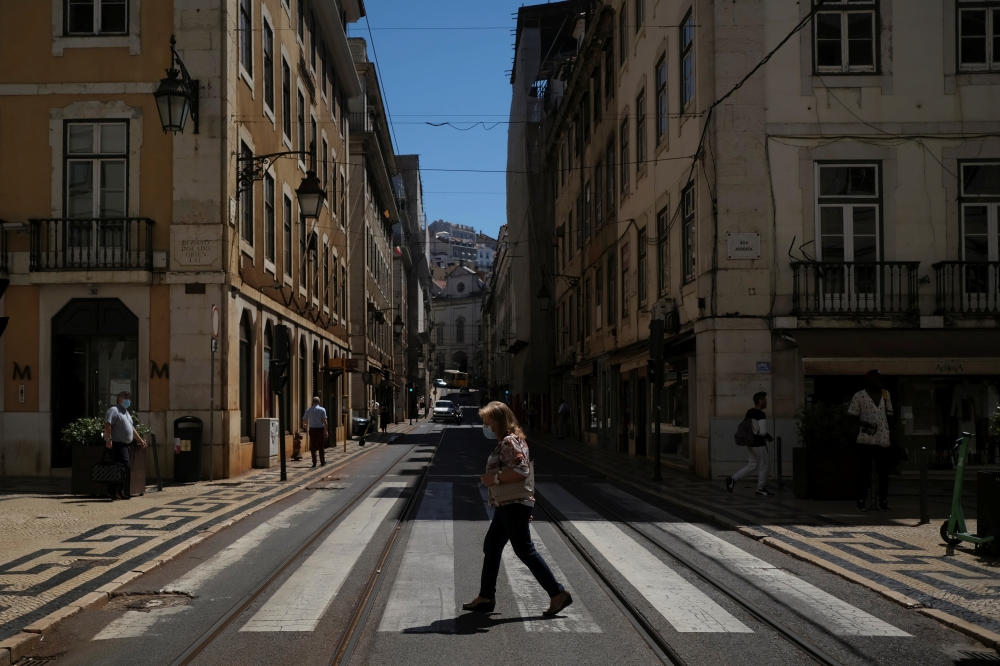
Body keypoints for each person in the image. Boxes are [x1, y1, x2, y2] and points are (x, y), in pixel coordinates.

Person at [463, 401, 573, 617]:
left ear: (498, 421)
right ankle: (486, 596)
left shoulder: (508, 442)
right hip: (510, 504)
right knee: (492, 546)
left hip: (512, 504)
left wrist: (492, 479)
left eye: (488, 423)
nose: (486, 427)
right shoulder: (516, 439)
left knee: (524, 549)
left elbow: (521, 471)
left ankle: (557, 593)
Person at [849, 370, 894, 511]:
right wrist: (863, 424)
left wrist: (892, 433)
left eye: (882, 380)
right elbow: (851, 416)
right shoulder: (859, 396)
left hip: (883, 438)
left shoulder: (885, 394)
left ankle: (883, 501)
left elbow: (890, 414)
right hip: (865, 439)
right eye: (878, 380)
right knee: (863, 472)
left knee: (883, 473)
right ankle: (861, 500)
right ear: (870, 380)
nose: (881, 382)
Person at [726, 392, 774, 496]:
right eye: (765, 400)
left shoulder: (749, 412)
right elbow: (763, 432)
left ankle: (733, 479)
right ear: (760, 401)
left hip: (750, 442)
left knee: (752, 465)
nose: (766, 402)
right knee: (765, 466)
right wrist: (769, 437)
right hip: (759, 443)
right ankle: (760, 488)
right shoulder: (761, 414)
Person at [103, 391, 147, 501]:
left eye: (129, 399)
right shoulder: (114, 410)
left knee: (124, 467)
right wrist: (109, 439)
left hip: (125, 445)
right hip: (117, 444)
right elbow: (108, 424)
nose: (128, 401)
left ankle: (119, 491)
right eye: (126, 398)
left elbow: (131, 429)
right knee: (122, 466)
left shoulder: (126, 413)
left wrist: (140, 440)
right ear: (119, 399)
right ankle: (113, 490)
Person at [302, 396, 328, 467]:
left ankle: (314, 462)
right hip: (320, 429)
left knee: (313, 446)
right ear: (319, 402)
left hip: (312, 429)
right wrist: (326, 430)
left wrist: (305, 425)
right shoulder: (322, 410)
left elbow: (304, 419)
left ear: (312, 402)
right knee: (320, 446)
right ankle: (322, 461)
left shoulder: (308, 410)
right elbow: (324, 421)